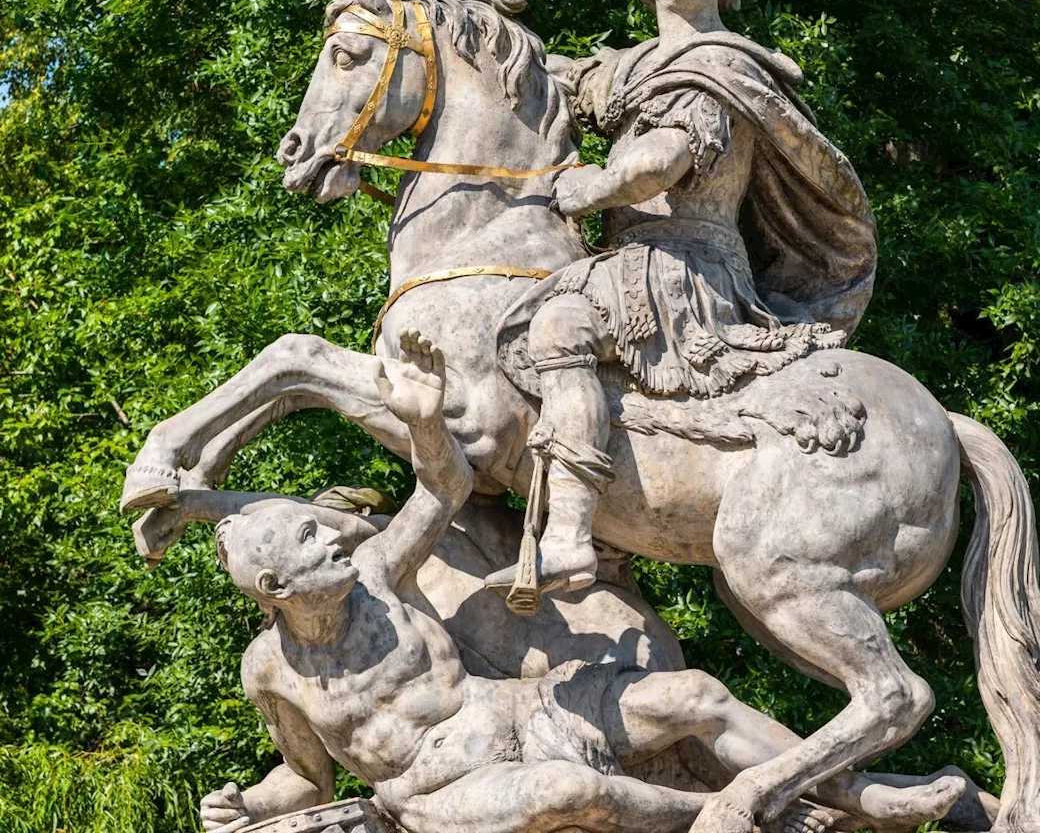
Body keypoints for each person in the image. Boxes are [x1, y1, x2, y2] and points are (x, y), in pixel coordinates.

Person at [198, 330, 989, 833]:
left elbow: (440, 490)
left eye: (320, 523)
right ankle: (762, 815)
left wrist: (425, 421)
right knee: (564, 793)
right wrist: (245, 804)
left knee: (693, 696)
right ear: (272, 583)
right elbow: (305, 777)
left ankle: (848, 793)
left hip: (520, 710)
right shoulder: (269, 672)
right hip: (445, 786)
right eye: (309, 538)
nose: (335, 535)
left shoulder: (375, 574)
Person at [488, 0, 877, 595]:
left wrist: (594, 188)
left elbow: (666, 156)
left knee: (561, 328)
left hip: (686, 269)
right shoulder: (626, 69)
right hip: (629, 261)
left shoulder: (726, 65)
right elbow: (546, 81)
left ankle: (572, 538)